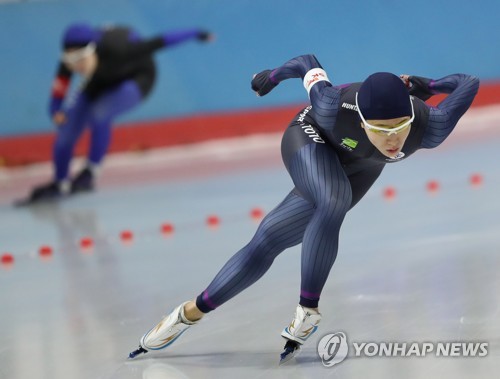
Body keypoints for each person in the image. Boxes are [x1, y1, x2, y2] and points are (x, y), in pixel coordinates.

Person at [128, 54, 479, 363]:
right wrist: (270, 77)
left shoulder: (431, 126)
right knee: (333, 198)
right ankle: (308, 309)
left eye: (400, 128)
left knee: (269, 238)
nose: (393, 140)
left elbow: (469, 82)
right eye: (381, 129)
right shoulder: (330, 106)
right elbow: (306, 62)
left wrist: (429, 84)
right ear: (361, 120)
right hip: (310, 136)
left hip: (361, 165)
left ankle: (189, 312)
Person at [21, 22, 213, 204]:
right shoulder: (69, 61)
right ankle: (59, 183)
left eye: (80, 59)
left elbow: (161, 41)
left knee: (100, 113)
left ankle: (90, 172)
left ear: (93, 50)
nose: (76, 66)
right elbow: (58, 92)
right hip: (99, 81)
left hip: (136, 78)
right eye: (71, 60)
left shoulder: (120, 48)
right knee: (66, 131)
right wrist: (56, 111)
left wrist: (196, 33)